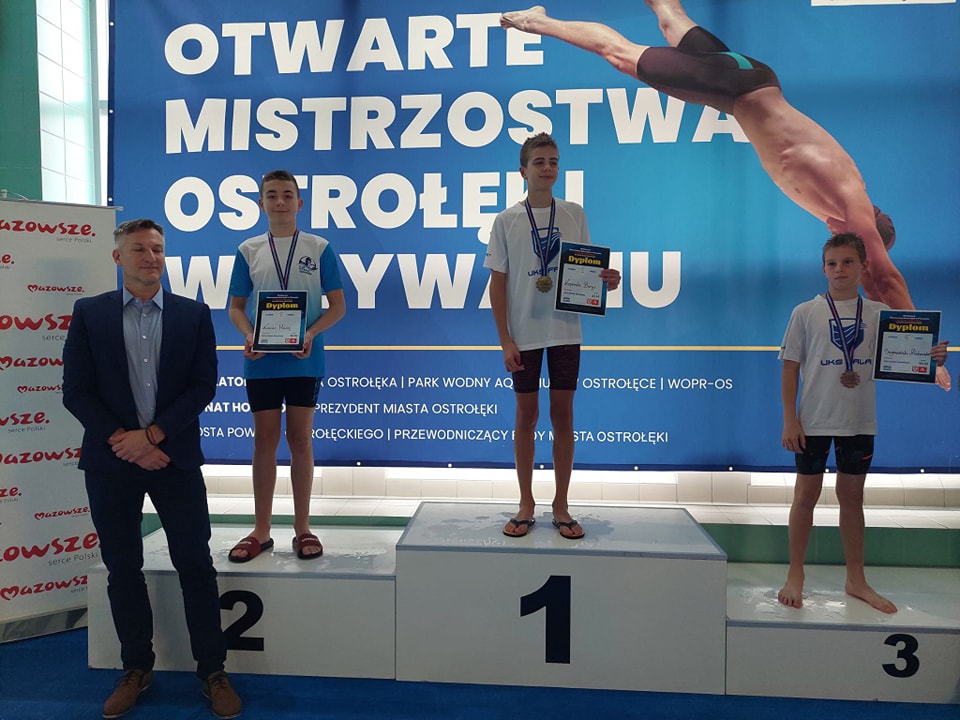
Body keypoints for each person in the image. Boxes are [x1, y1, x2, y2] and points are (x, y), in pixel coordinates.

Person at [500, 2, 951, 391]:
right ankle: (537, 21)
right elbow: (886, 279)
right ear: (870, 231)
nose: (839, 242)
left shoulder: (834, 207)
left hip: (747, 81)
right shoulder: (852, 200)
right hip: (737, 87)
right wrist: (922, 353)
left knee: (671, 17)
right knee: (620, 56)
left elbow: (872, 284)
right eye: (860, 248)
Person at [62, 218, 242, 719]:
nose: (151, 257)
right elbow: (76, 390)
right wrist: (125, 441)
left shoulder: (193, 315)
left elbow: (203, 386)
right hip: (111, 461)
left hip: (173, 458)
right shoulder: (89, 313)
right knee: (123, 569)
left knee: (196, 566)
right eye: (139, 249)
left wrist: (154, 436)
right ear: (118, 257)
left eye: (158, 249)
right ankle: (136, 668)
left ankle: (213, 671)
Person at [778, 232, 948, 613]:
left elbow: (907, 359)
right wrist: (790, 421)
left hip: (858, 422)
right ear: (823, 269)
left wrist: (932, 357)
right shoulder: (805, 312)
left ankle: (856, 578)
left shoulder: (878, 314)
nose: (839, 269)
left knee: (852, 499)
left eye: (848, 262)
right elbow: (789, 369)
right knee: (805, 497)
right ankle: (795, 574)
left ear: (863, 266)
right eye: (832, 263)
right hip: (814, 421)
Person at [485, 132, 621, 539]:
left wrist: (607, 281)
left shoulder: (574, 213)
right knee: (526, 417)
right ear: (523, 171)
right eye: (539, 162)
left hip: (564, 330)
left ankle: (561, 504)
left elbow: (587, 269)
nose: (548, 168)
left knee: (563, 416)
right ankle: (526, 503)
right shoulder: (507, 220)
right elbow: (497, 284)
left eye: (554, 162)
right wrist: (505, 340)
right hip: (524, 335)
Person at [227, 170, 346, 562]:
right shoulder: (248, 250)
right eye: (272, 195)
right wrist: (249, 335)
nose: (280, 202)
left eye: (287, 195)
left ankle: (302, 527)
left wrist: (310, 333)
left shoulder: (319, 247)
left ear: (300, 202)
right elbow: (235, 308)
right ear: (261, 203)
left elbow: (338, 307)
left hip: (304, 359)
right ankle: (261, 530)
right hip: (261, 361)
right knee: (264, 440)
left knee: (299, 439)